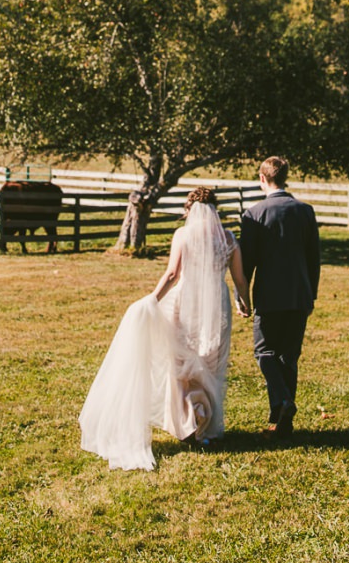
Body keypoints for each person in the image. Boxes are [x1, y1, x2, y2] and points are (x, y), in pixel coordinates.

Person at [79, 187, 251, 471]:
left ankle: (187, 424)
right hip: (216, 307)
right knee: (211, 363)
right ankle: (205, 426)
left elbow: (172, 274)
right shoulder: (229, 239)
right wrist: (243, 301)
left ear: (189, 209)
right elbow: (240, 279)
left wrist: (152, 299)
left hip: (185, 302)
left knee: (182, 363)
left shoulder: (183, 235)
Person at [237, 155, 319, 438]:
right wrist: (312, 296)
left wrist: (242, 295)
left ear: (262, 179)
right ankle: (282, 422)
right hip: (299, 294)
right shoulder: (305, 211)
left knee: (264, 352)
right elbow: (313, 259)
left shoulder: (254, 214)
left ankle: (283, 404)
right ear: (285, 177)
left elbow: (247, 262)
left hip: (269, 295)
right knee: (288, 356)